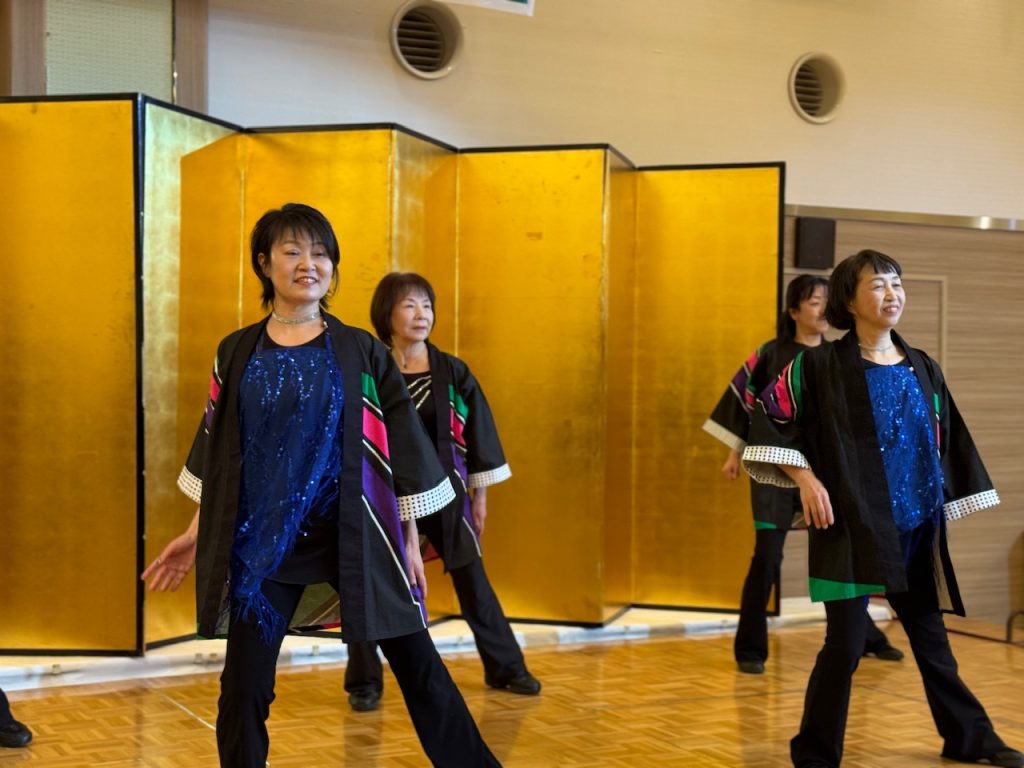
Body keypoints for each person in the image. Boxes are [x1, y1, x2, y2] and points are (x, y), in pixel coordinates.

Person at [142, 204, 500, 768]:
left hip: (359, 537)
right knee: (243, 689)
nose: (308, 263)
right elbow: (224, 454)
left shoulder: (362, 350)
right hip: (265, 550)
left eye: (320, 253)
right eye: (292, 251)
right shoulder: (236, 351)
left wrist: (408, 541)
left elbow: (400, 450)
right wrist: (195, 532)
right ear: (265, 264)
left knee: (421, 670)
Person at [742, 250, 1023, 768]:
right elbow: (768, 417)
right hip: (849, 529)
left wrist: (938, 501)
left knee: (933, 643)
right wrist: (805, 478)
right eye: (877, 285)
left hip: (914, 527)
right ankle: (815, 754)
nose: (891, 293)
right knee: (845, 646)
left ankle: (971, 740)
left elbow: (944, 440)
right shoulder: (817, 366)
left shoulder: (923, 366)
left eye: (896, 283)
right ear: (849, 301)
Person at [344, 272, 541, 712]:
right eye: (409, 305)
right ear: (387, 315)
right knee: (368, 581)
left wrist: (479, 496)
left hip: (446, 494)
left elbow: (478, 432)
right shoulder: (371, 370)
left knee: (474, 583)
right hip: (384, 497)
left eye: (427, 305)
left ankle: (506, 667)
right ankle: (364, 681)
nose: (421, 315)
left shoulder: (452, 371)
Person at [703, 275, 903, 674]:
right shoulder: (770, 353)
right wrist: (734, 452)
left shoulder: (839, 356)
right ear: (794, 311)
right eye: (813, 302)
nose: (822, 309)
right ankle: (750, 650)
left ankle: (867, 638)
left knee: (843, 557)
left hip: (826, 476)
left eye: (826, 301)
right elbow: (750, 407)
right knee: (766, 559)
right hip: (777, 475)